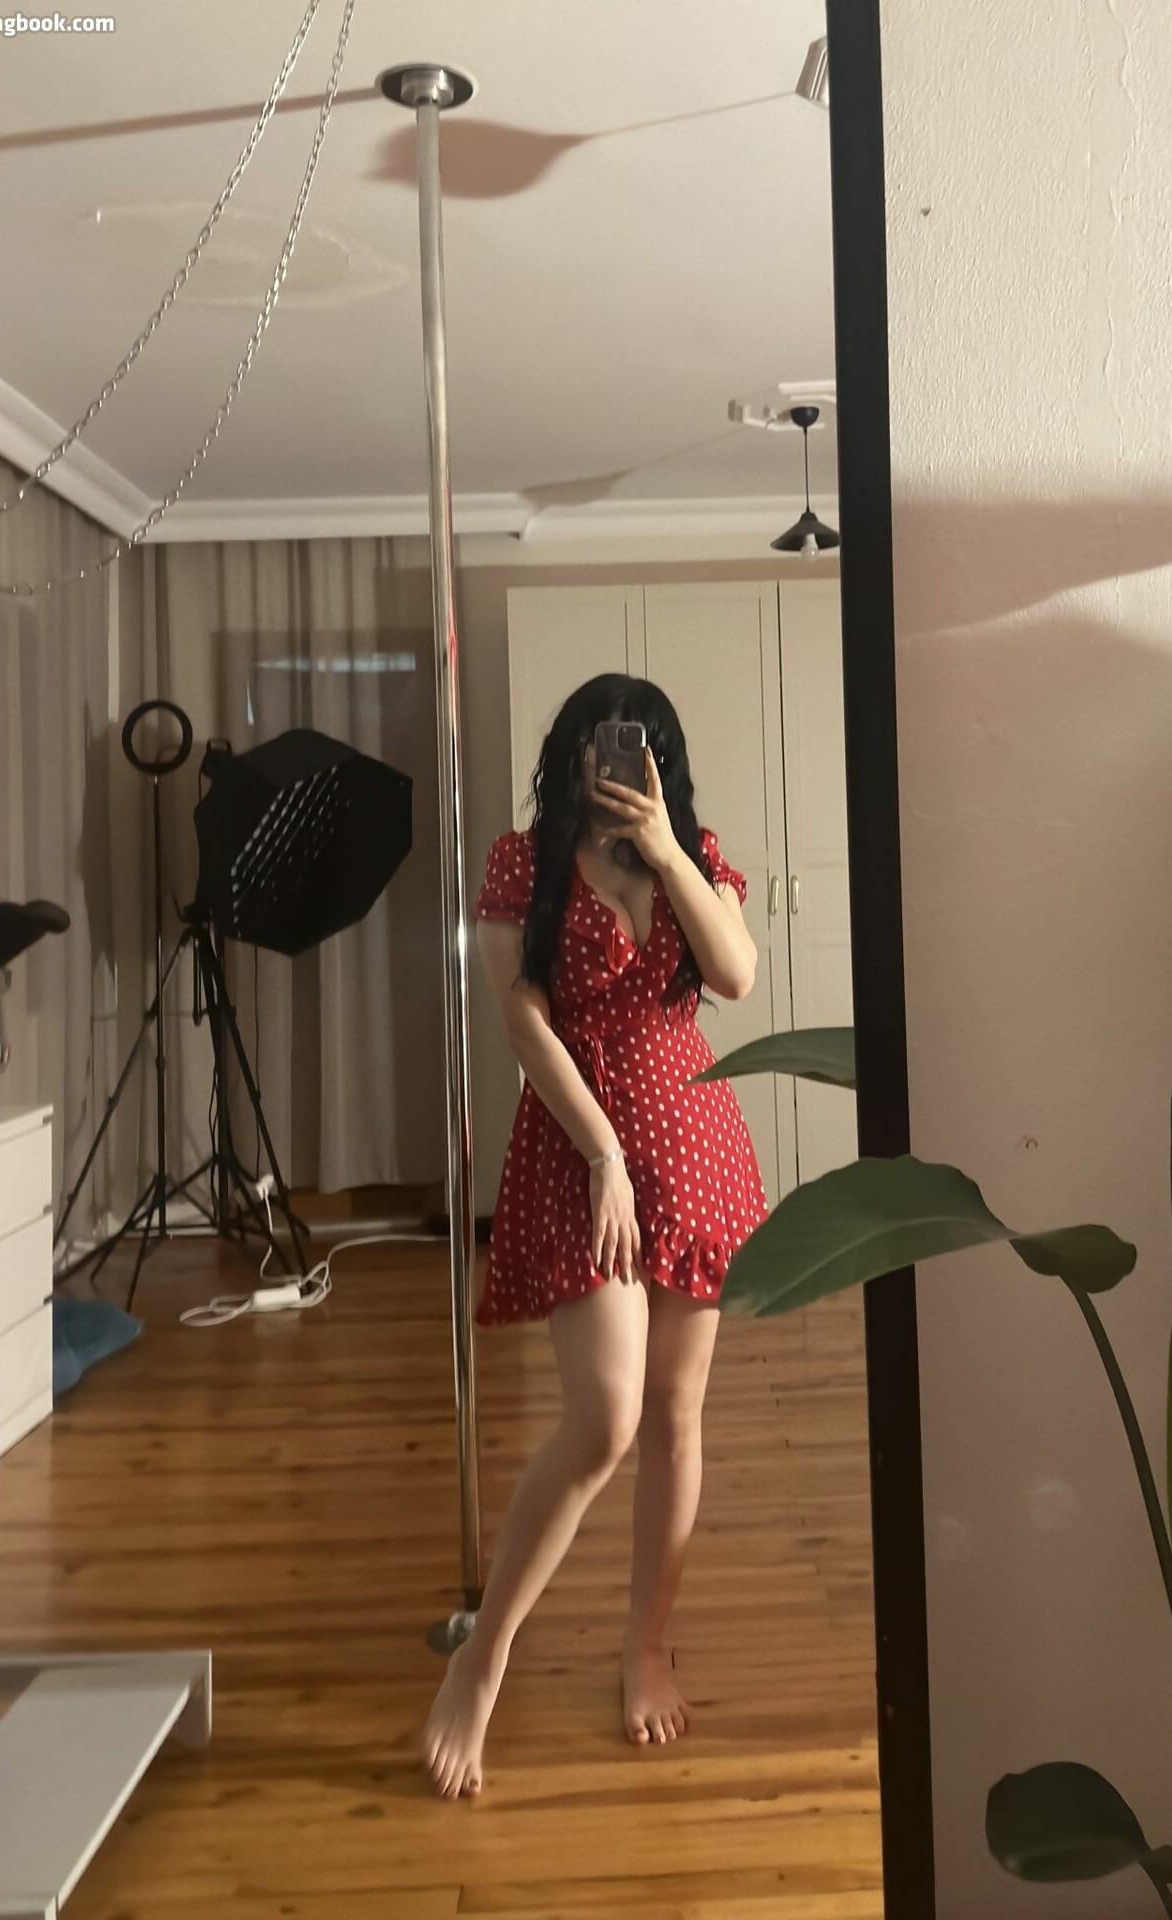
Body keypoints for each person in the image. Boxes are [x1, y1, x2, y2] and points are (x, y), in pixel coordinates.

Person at [423, 674, 768, 1799]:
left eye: (636, 746)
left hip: (695, 1142)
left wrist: (665, 849)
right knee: (605, 1417)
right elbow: (523, 1021)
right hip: (583, 1149)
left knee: (674, 1413)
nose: (612, 763)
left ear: (661, 761)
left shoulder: (691, 855)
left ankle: (646, 1647)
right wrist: (604, 1154)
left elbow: (735, 976)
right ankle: (484, 1657)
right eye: (597, 744)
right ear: (569, 753)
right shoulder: (520, 864)